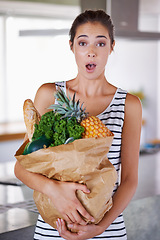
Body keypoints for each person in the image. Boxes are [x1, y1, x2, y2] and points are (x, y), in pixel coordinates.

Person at [14, 9, 142, 240]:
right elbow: (22, 166)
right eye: (83, 43)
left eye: (100, 44)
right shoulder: (49, 94)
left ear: (112, 47)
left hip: (107, 231)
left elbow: (130, 179)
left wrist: (101, 226)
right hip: (54, 228)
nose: (91, 52)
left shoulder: (129, 105)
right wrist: (55, 190)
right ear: (72, 46)